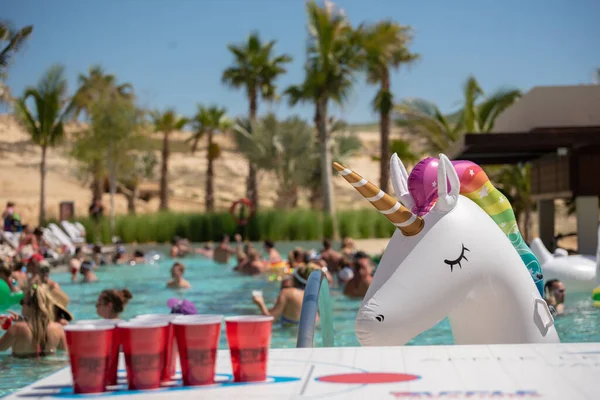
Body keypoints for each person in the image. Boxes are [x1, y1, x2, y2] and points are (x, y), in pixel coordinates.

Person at [0, 284, 67, 357]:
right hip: (49, 367)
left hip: (23, 367)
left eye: (22, 302)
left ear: (30, 306)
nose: (21, 305)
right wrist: (23, 323)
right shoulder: (58, 328)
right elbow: (64, 355)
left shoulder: (17, 328)